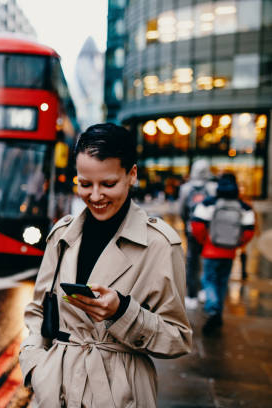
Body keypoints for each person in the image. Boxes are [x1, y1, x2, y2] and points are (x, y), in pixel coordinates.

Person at [20, 123, 192, 407]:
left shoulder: (160, 244)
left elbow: (178, 337)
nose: (96, 196)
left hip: (119, 395)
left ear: (132, 175)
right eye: (85, 184)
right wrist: (35, 366)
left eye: (108, 184)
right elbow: (38, 310)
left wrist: (123, 312)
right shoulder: (62, 234)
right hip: (53, 392)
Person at [191, 173, 255, 335]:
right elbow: (249, 230)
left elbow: (197, 225)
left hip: (211, 251)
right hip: (230, 251)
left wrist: (205, 241)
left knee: (208, 279)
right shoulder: (243, 206)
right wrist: (237, 243)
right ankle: (218, 312)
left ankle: (212, 310)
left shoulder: (209, 203)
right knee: (222, 282)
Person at [177, 159, 217, 309]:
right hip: (209, 231)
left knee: (192, 262)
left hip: (192, 229)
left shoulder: (186, 189)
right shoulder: (213, 187)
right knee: (206, 261)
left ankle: (192, 295)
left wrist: (187, 222)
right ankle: (203, 291)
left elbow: (181, 210)